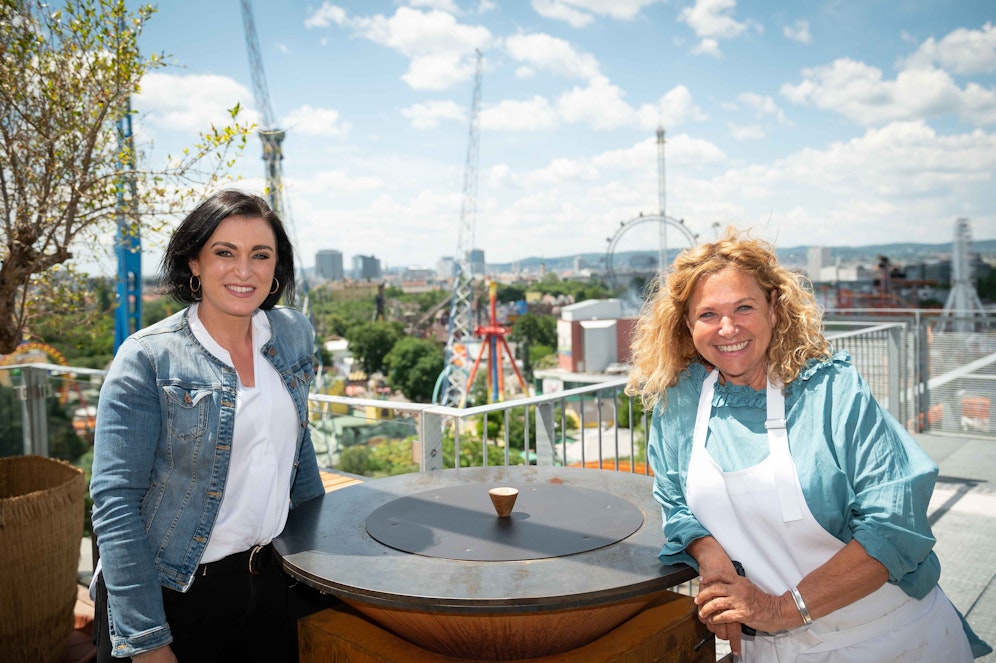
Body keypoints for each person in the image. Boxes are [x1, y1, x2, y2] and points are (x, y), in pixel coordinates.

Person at [627, 227, 989, 661]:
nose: (728, 328)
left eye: (744, 307)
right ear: (687, 323)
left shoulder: (831, 391)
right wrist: (714, 565)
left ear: (774, 310)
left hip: (888, 640)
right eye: (708, 314)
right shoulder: (682, 401)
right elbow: (675, 500)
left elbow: (894, 525)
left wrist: (780, 609)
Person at [90, 190, 327, 661]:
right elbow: (115, 504)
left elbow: (299, 451)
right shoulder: (148, 358)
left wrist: (320, 562)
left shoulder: (293, 333)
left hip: (274, 582)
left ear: (277, 268)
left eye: (261, 255)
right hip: (174, 595)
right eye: (225, 253)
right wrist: (147, 640)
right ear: (194, 262)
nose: (245, 271)